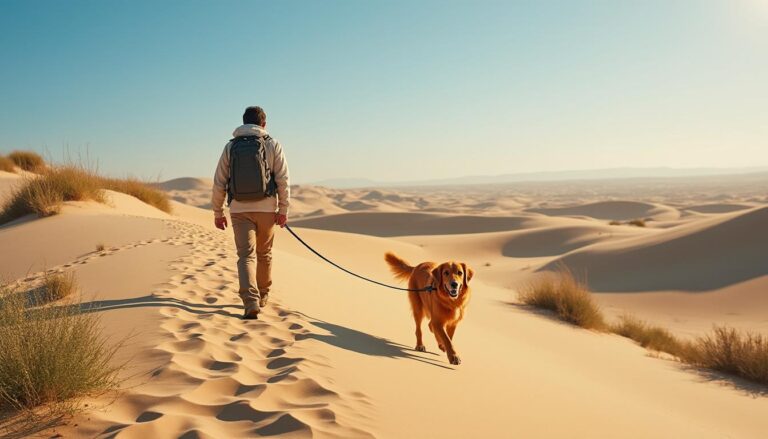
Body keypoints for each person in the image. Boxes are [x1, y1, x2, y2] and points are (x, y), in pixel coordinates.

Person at [212, 106, 290, 319]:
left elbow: (219, 181)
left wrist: (218, 212)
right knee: (264, 254)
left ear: (244, 122)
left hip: (239, 210)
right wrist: (283, 209)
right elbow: (283, 179)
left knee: (245, 256)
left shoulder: (230, 147)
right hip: (266, 209)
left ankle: (250, 301)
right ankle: (263, 294)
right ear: (263, 124)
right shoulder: (273, 144)